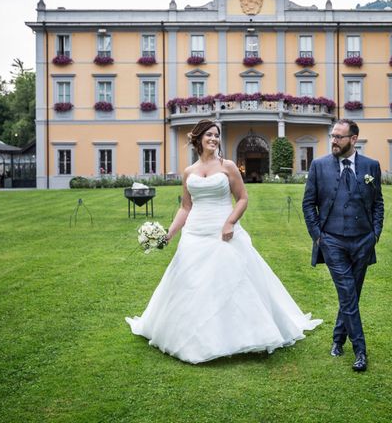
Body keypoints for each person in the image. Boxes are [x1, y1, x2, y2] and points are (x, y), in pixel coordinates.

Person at [126, 119, 322, 364]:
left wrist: (230, 222)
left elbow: (242, 198)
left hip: (223, 231)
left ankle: (238, 333)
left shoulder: (228, 166)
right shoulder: (189, 172)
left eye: (216, 135)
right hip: (195, 233)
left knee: (230, 280)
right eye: (209, 135)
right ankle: (191, 334)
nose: (214, 139)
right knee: (192, 283)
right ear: (198, 139)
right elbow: (186, 207)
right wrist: (169, 234)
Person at [302, 119, 384, 372]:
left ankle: (338, 338)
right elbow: (308, 204)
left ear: (354, 139)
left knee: (351, 295)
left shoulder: (371, 166)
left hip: (363, 241)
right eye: (332, 136)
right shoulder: (319, 166)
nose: (333, 140)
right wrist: (318, 236)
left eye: (339, 136)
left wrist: (375, 234)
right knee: (348, 293)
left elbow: (378, 202)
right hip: (333, 240)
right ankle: (360, 350)